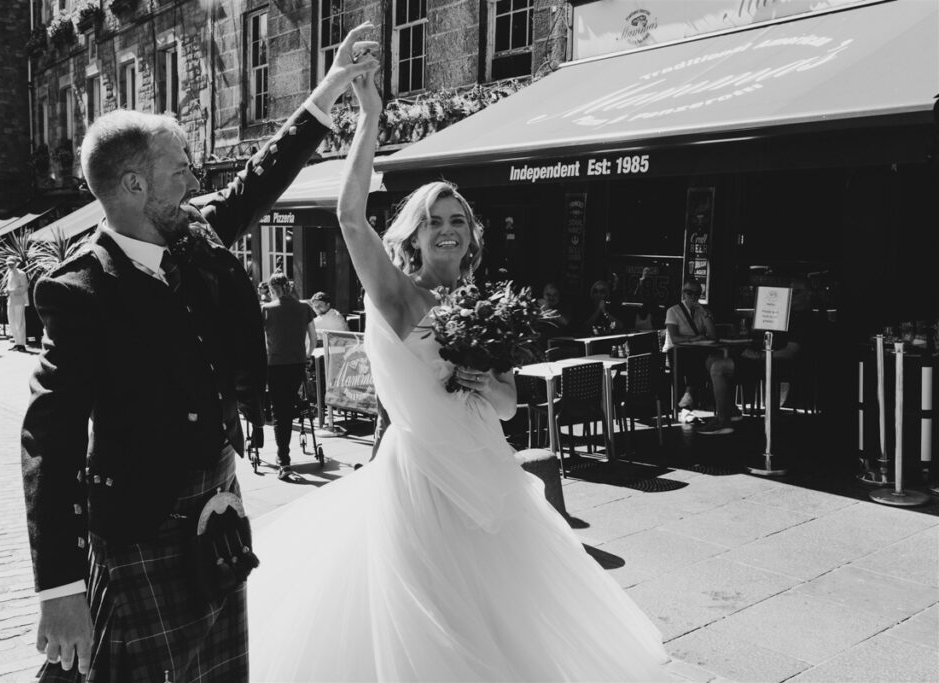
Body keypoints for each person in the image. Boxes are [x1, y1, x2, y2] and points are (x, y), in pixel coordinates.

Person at [245, 50, 668, 681]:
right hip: (422, 483)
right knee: (432, 629)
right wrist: (369, 116)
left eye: (457, 222)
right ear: (412, 235)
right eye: (433, 222)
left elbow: (507, 408)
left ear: (471, 235)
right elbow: (350, 217)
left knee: (501, 623)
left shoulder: (480, 305)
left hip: (487, 477)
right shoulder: (397, 296)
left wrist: (488, 379)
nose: (446, 231)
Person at [19, 24, 377, 682]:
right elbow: (50, 437)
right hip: (140, 526)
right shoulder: (79, 290)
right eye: (177, 164)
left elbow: (257, 180)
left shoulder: (194, 233)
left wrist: (330, 87)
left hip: (216, 507)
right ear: (133, 186)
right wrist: (60, 589)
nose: (192, 172)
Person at [697, 278, 818, 435]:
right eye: (790, 292)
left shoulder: (804, 319)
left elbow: (790, 353)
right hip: (766, 358)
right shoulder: (787, 315)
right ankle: (731, 411)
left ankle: (723, 421)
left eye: (796, 292)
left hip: (777, 363)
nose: (791, 296)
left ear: (808, 295)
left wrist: (758, 356)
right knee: (711, 360)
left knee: (718, 367)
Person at [263, 272, 317, 481]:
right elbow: (313, 337)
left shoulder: (266, 310)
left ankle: (283, 458)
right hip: (297, 363)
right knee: (289, 400)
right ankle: (299, 404)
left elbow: (260, 340)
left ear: (271, 289)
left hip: (275, 364)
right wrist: (307, 354)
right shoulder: (304, 307)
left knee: (280, 412)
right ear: (289, 287)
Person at [663, 277, 717, 410]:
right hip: (675, 351)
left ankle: (689, 394)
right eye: (689, 293)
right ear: (683, 293)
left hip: (695, 351)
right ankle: (692, 395)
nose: (693, 296)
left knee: (709, 360)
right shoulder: (673, 311)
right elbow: (674, 338)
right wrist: (694, 339)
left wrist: (706, 314)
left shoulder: (702, 312)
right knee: (699, 358)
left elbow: (714, 336)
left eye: (697, 293)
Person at [5, 256, 30, 352]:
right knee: (11, 322)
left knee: (20, 322)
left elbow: (24, 288)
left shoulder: (21, 274)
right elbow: (9, 286)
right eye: (8, 264)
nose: (10, 266)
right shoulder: (9, 273)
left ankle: (22, 344)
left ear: (16, 263)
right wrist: (7, 291)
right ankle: (17, 343)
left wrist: (12, 291)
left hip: (19, 301)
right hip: (11, 301)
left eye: (12, 264)